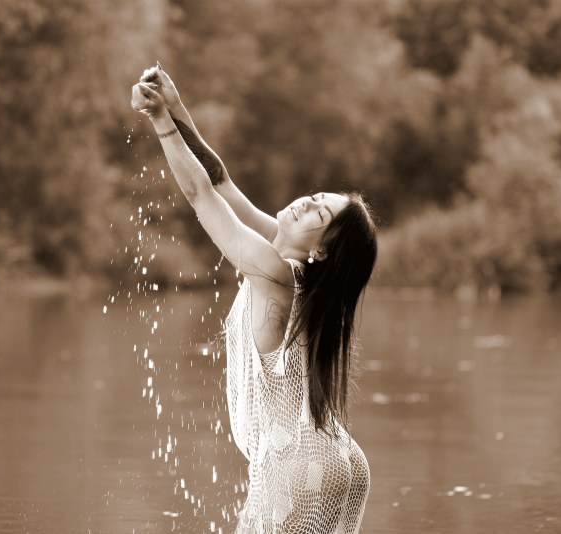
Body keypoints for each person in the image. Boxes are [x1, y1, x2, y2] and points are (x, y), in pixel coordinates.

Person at [132, 64, 377, 533]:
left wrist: (160, 122)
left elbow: (200, 194)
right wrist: (178, 105)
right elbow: (220, 180)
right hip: (339, 460)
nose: (304, 203)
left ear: (320, 248)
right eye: (313, 196)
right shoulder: (289, 260)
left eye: (318, 213)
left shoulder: (276, 272)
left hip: (298, 464)